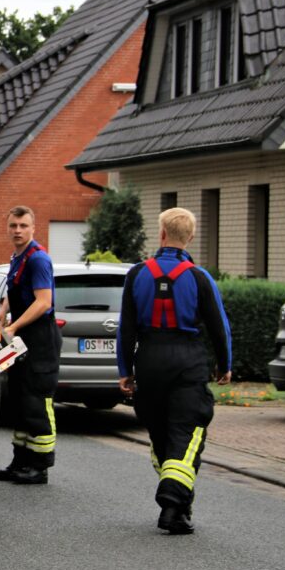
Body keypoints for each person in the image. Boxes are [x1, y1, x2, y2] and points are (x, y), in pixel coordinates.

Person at [117, 207, 231, 535]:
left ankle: (177, 509)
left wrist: (125, 370)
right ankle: (173, 498)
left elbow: (126, 328)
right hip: (187, 360)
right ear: (190, 237)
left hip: (149, 360)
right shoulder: (199, 277)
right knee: (189, 428)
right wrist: (224, 365)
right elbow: (218, 326)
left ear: (162, 233)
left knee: (160, 431)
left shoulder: (137, 275)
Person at [0, 205, 62, 484]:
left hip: (40, 339)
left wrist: (14, 325)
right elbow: (16, 288)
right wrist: (4, 309)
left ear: (33, 228)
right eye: (13, 226)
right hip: (21, 339)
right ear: (7, 228)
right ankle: (20, 461)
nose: (17, 231)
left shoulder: (38, 260)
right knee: (20, 400)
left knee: (37, 402)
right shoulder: (17, 257)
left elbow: (44, 302)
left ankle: (40, 465)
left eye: (23, 226)